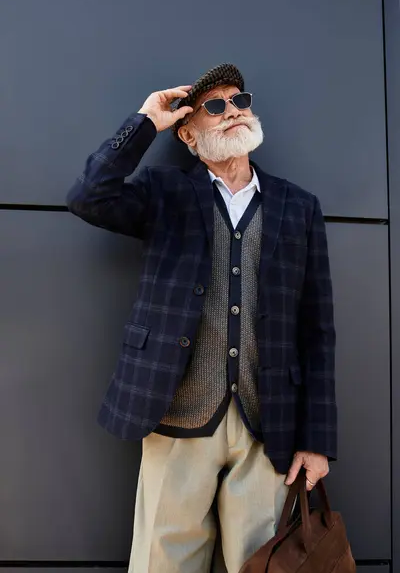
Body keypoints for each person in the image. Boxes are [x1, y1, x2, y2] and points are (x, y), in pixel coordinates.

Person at [66, 63, 337, 573]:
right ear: (189, 135)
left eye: (240, 100)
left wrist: (316, 439)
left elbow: (317, 330)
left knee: (259, 564)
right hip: (175, 416)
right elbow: (88, 196)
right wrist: (146, 122)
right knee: (162, 563)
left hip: (267, 427)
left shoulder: (299, 207)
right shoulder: (164, 193)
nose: (233, 111)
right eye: (215, 106)